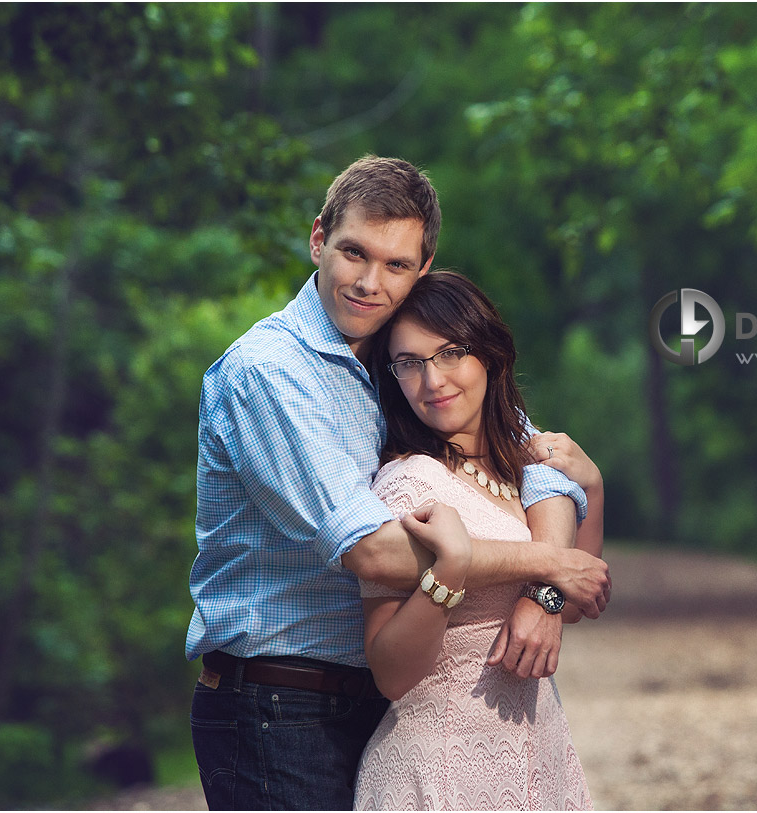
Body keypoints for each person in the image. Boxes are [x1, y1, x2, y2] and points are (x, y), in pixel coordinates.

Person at [186, 156, 611, 810]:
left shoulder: (402, 351)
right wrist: (551, 560)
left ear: (422, 267)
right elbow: (373, 549)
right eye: (354, 252)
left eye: (396, 265)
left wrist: (544, 595)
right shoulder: (269, 373)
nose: (369, 282)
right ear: (318, 238)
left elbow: (537, 462)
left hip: (385, 700)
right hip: (279, 702)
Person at [353, 271, 601, 810]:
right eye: (409, 363)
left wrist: (593, 487)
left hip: (537, 753)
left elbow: (582, 595)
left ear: (489, 354)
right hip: (439, 770)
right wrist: (448, 572)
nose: (432, 380)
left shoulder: (519, 468)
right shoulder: (410, 483)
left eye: (450, 353)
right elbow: (390, 674)